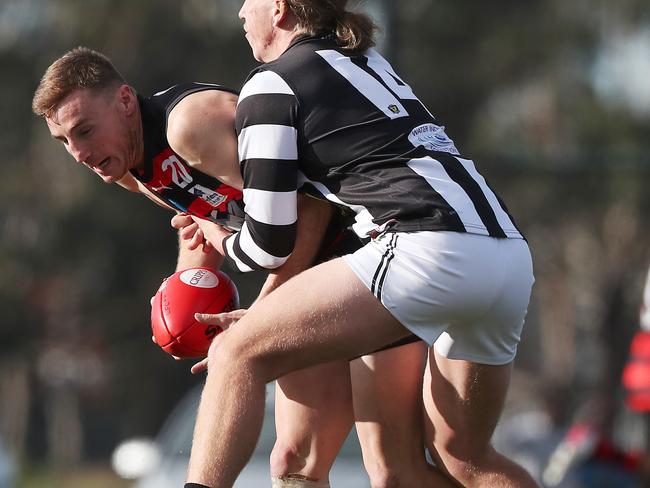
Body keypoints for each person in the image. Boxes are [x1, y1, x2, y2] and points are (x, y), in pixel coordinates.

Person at [32, 47, 430, 488]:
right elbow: (203, 224)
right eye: (64, 141)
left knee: (406, 470)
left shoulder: (188, 125)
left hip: (373, 262)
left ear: (125, 100)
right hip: (317, 278)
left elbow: (309, 206)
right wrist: (184, 300)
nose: (79, 153)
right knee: (294, 464)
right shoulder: (129, 168)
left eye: (84, 131)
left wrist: (260, 312)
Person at [178, 1, 539, 487]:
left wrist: (224, 240)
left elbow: (269, 243)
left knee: (235, 355)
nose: (242, 13)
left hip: (425, 248)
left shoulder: (267, 84)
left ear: (279, 9)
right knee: (464, 457)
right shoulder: (365, 59)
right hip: (507, 256)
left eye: (250, 1)